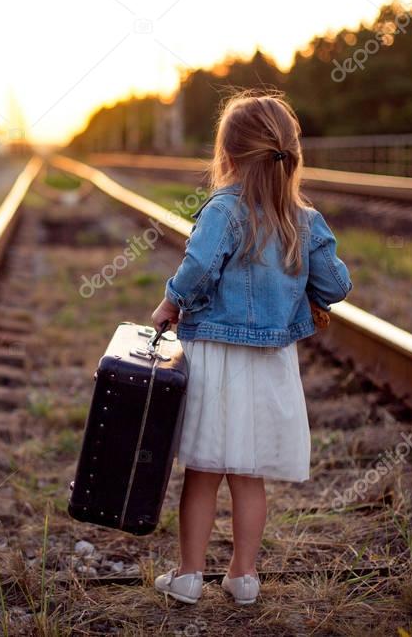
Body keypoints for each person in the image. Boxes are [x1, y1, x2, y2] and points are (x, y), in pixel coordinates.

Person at [150, 92, 352, 605]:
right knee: (248, 473)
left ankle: (189, 576)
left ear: (230, 156)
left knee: (203, 470)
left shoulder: (223, 210)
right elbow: (335, 286)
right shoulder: (304, 220)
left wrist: (171, 304)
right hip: (268, 364)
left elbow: (198, 270)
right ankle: (243, 577)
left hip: (215, 357)